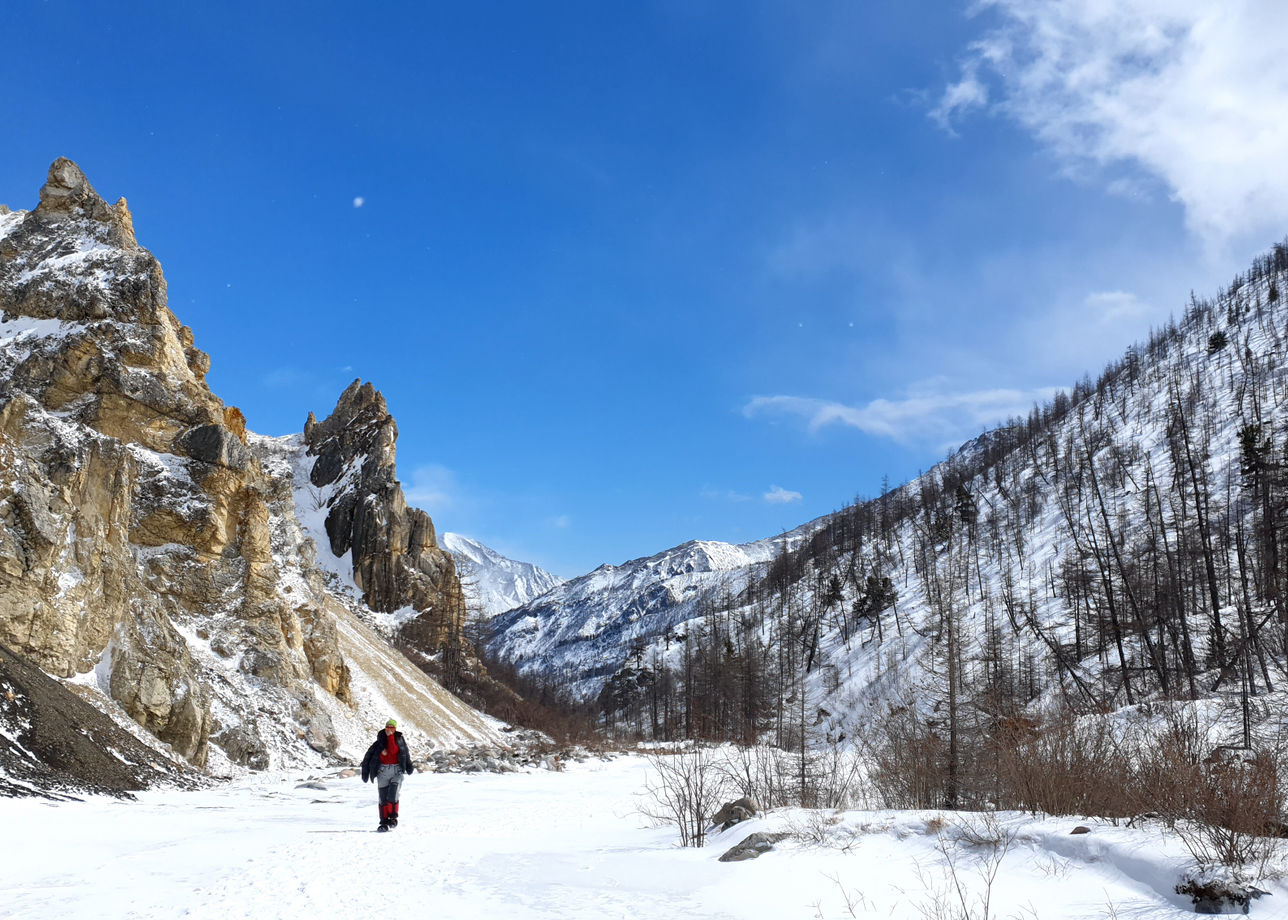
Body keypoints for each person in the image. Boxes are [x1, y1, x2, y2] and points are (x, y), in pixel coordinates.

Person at [361, 718, 415, 831]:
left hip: (397, 771)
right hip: (382, 772)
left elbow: (400, 752)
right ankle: (384, 822)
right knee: (382, 798)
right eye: (388, 728)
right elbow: (368, 756)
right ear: (385, 728)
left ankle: (393, 818)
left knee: (393, 794)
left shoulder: (399, 740)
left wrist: (409, 766)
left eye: (392, 728)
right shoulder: (379, 742)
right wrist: (365, 771)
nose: (390, 730)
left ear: (395, 729)